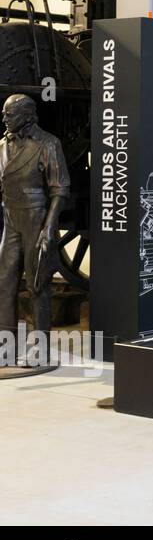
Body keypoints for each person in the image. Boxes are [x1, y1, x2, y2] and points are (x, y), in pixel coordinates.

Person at [0, 93, 69, 368]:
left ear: (27, 116)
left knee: (37, 283)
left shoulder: (48, 144)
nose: (4, 118)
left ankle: (39, 349)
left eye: (9, 114)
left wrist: (49, 227)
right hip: (10, 218)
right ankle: (5, 348)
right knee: (4, 283)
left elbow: (60, 189)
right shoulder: (2, 144)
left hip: (36, 216)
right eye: (4, 113)